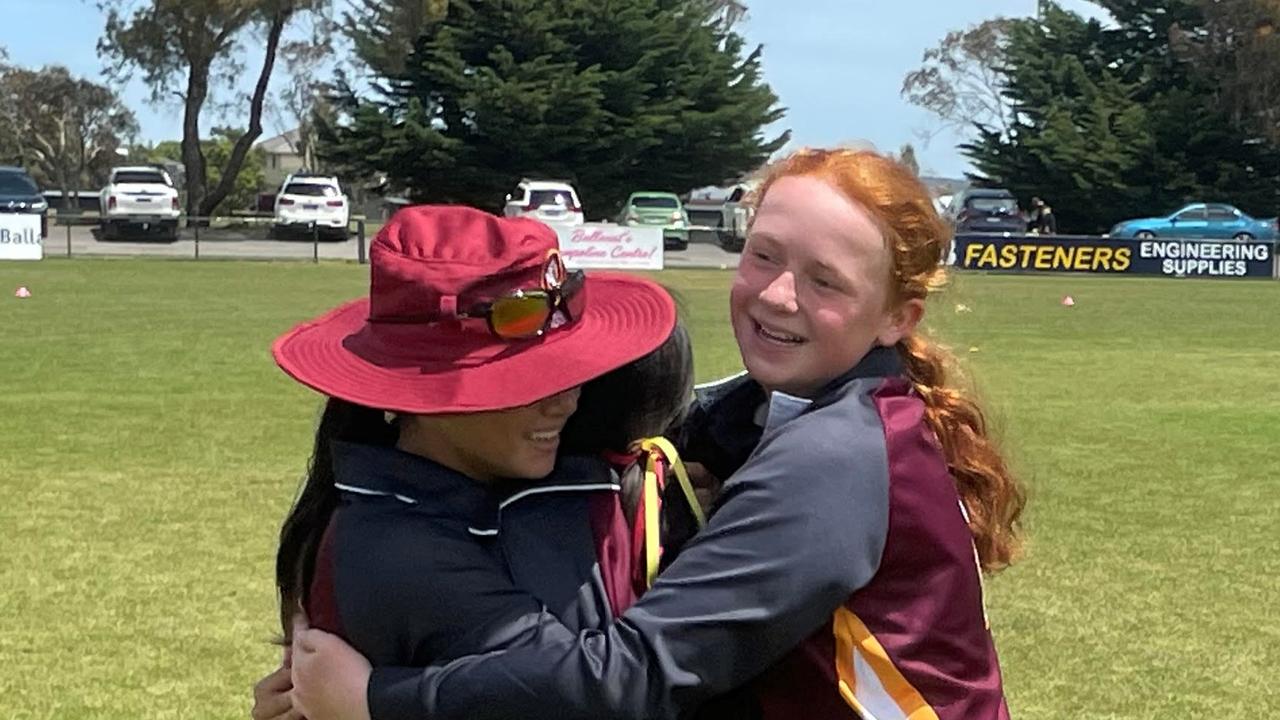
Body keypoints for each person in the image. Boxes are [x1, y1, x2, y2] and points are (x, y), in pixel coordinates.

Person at [284, 148, 1028, 720]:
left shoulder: (829, 456)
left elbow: (630, 677)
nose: (775, 294)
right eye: (763, 255)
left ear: (898, 319)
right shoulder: (775, 412)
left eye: (824, 281)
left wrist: (376, 700)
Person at [250, 204, 696, 720]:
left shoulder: (449, 493)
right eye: (523, 383)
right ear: (420, 394)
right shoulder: (402, 553)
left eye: (571, 372)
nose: (566, 401)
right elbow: (598, 693)